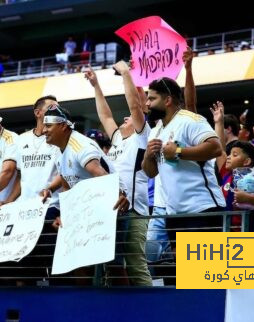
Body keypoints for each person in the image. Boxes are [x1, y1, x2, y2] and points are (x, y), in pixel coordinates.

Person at [84, 62, 152, 286]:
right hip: (113, 207)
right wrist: (96, 85)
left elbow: (134, 107)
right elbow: (104, 114)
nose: (124, 119)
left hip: (134, 209)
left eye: (129, 118)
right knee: (110, 263)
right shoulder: (116, 139)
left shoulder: (143, 136)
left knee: (134, 263)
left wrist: (126, 73)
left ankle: (147, 307)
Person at [141, 77, 225, 254]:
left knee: (204, 273)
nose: (147, 103)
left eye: (152, 98)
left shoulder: (190, 120)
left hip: (201, 208)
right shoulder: (156, 131)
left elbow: (216, 148)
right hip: (174, 213)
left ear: (168, 100)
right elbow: (150, 173)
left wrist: (179, 151)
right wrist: (148, 156)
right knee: (185, 273)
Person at [40, 104, 130, 223]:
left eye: (48, 126)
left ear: (62, 126)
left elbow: (100, 174)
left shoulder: (80, 146)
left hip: (112, 207)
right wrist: (66, 215)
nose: (43, 130)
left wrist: (119, 195)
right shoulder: (59, 148)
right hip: (89, 209)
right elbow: (67, 186)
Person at [211, 102, 254, 231]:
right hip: (223, 230)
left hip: (248, 231)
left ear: (246, 161)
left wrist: (248, 198)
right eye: (229, 154)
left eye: (234, 155)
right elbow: (220, 150)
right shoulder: (226, 173)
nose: (228, 157)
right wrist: (219, 123)